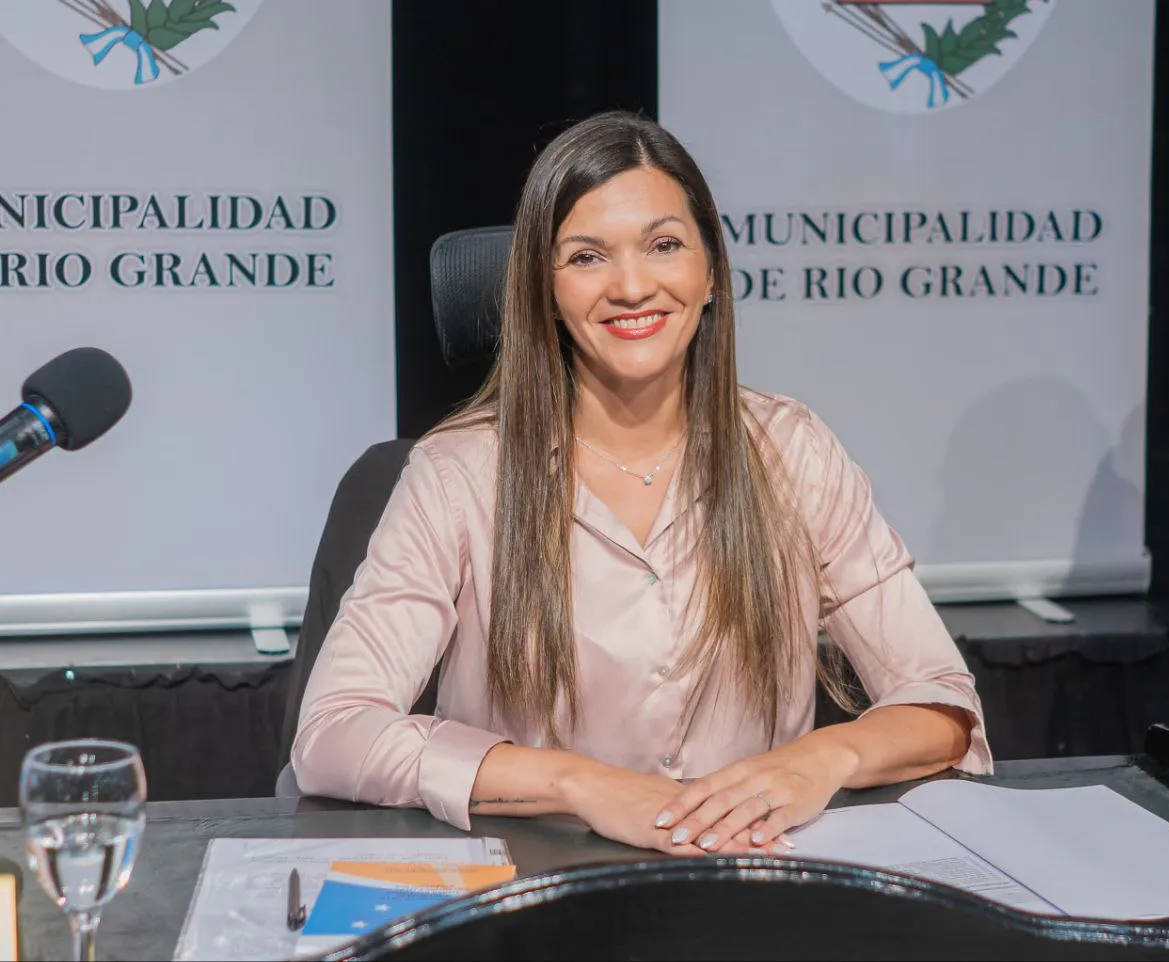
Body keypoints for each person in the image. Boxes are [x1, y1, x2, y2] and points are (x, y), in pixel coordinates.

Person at [292, 111, 991, 857]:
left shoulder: (793, 450)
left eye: (664, 246)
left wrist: (820, 760)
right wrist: (581, 785)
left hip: (748, 879)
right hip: (537, 885)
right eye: (587, 257)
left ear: (710, 271)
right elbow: (334, 732)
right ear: (543, 288)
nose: (631, 286)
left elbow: (943, 703)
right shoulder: (457, 473)